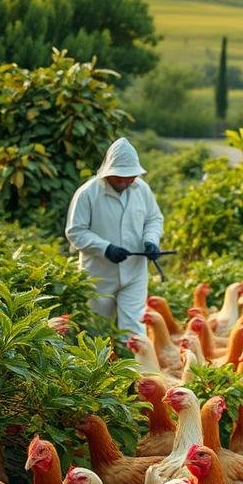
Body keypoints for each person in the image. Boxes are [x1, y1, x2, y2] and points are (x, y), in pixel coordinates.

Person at [65, 137, 164, 336]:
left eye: (131, 176)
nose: (126, 181)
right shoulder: (87, 193)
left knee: (134, 329)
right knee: (96, 330)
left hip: (135, 273)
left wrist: (151, 241)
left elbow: (154, 219)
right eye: (120, 177)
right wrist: (105, 248)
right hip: (99, 275)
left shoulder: (142, 189)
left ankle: (133, 366)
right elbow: (75, 232)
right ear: (108, 173)